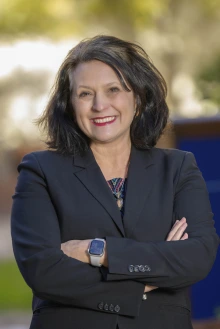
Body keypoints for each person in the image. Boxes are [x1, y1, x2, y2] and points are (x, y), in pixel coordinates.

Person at [11, 35, 219, 329]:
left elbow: (197, 257)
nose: (99, 105)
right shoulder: (40, 170)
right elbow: (43, 270)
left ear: (138, 98)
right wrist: (149, 279)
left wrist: (98, 251)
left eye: (113, 90)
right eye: (85, 94)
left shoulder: (178, 167)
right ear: (70, 105)